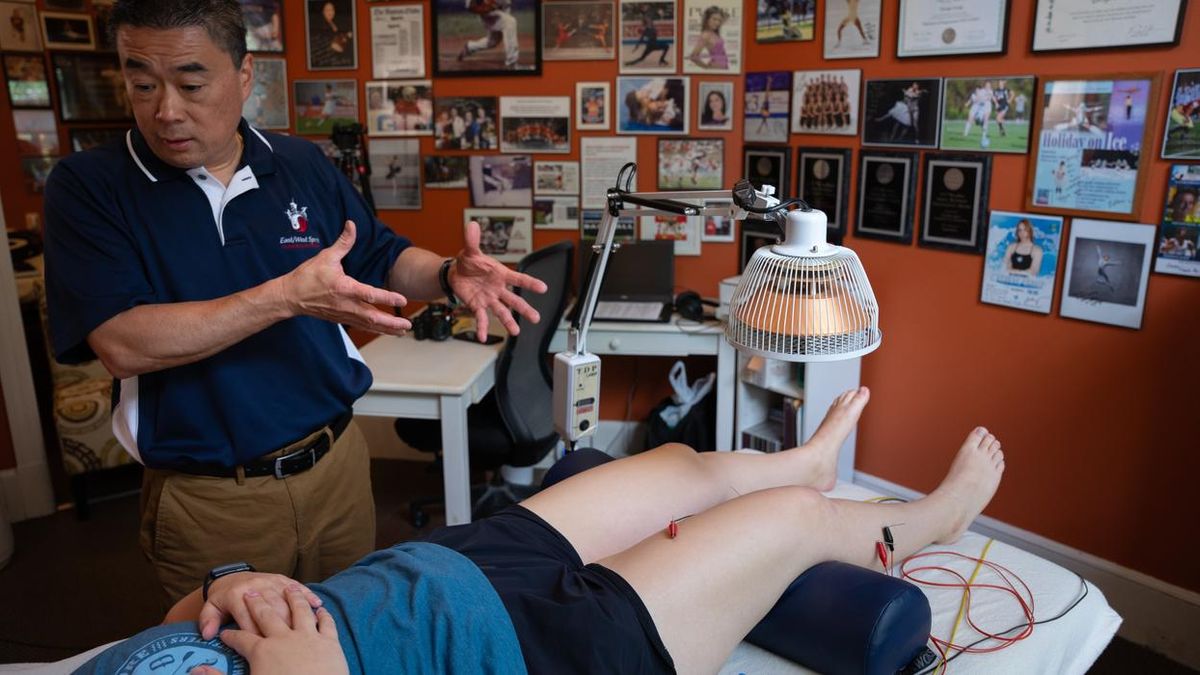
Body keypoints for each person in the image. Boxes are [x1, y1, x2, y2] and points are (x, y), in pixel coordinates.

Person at [43, 0, 547, 604]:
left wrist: (445, 274)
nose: (166, 110)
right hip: (213, 496)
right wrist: (284, 297)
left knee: (350, 639)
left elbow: (379, 256)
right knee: (242, 657)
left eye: (190, 83)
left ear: (245, 75)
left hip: (336, 466)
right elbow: (122, 342)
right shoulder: (89, 187)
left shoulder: (300, 162)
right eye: (142, 83)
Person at [76, 388, 1007, 674]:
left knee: (674, 468)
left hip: (444, 564)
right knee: (790, 525)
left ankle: (800, 458)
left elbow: (165, 629)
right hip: (544, 649)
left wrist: (221, 586)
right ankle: (931, 519)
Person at [458, 0, 522, 70]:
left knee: (492, 42)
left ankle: (470, 47)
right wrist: (483, 8)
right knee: (510, 22)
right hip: (491, 12)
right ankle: (511, 63)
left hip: (504, 9)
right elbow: (470, 5)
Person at [311, 1, 352, 68]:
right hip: (328, 58)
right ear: (323, 12)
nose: (330, 12)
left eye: (332, 9)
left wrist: (346, 36)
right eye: (327, 10)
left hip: (339, 53)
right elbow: (329, 42)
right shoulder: (320, 26)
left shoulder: (336, 23)